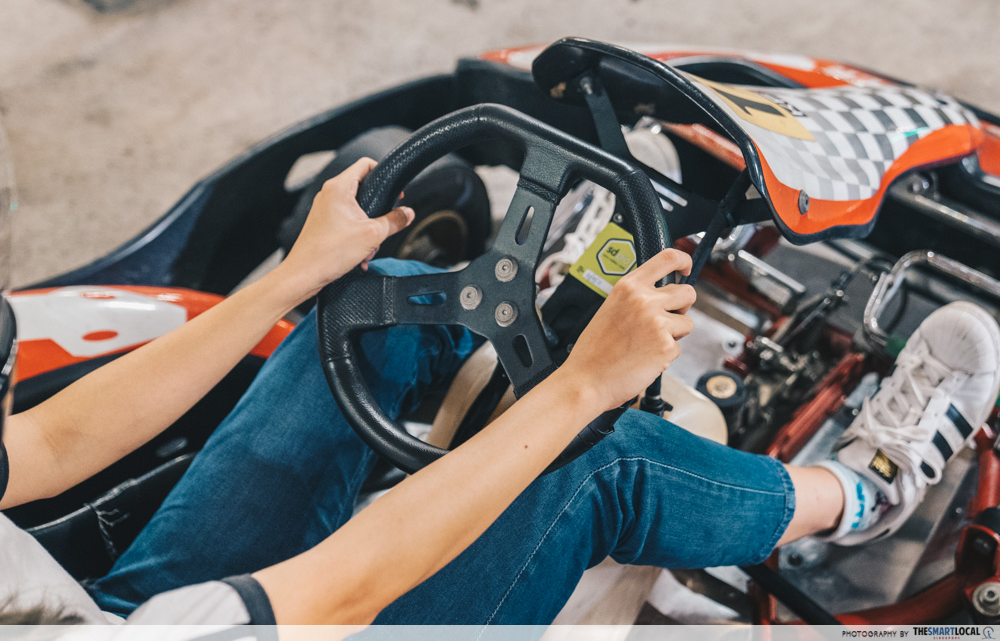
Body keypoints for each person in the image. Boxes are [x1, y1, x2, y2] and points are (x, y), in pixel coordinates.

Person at [1, 159, 998, 626]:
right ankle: (863, 491)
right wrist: (581, 387)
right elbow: (338, 593)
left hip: (111, 613)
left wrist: (293, 277)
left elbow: (41, 449)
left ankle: (550, 309)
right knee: (599, 463)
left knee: (383, 304)